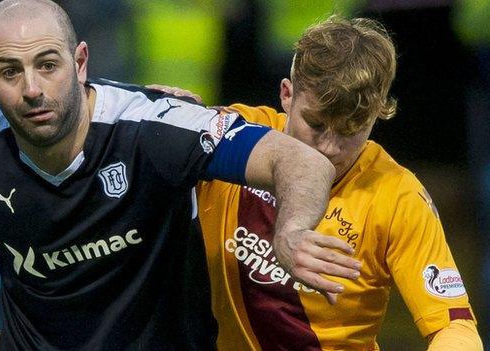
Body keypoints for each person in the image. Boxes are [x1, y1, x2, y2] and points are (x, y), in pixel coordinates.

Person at [0, 1, 363, 349]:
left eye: (48, 65)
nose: (32, 89)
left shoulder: (155, 131)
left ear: (80, 62)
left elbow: (299, 161)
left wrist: (290, 231)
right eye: (10, 71)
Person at [151, 15, 483, 351]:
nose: (329, 148)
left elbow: (453, 326)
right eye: (316, 123)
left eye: (351, 131)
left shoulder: (398, 197)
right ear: (287, 94)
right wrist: (158, 119)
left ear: (377, 115)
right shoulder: (235, 136)